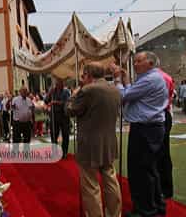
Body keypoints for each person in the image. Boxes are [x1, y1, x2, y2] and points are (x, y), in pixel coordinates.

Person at [113, 51, 168, 217]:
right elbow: (131, 93)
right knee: (149, 169)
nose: (135, 64)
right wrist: (127, 81)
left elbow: (123, 96)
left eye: (138, 61)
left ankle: (145, 210)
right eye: (135, 61)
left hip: (145, 129)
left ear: (150, 63)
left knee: (140, 171)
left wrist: (117, 79)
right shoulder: (151, 78)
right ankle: (156, 205)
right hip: (149, 127)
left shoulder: (150, 79)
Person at [67, 62, 122, 217]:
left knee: (91, 185)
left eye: (84, 76)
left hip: (90, 144)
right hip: (109, 141)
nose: (82, 79)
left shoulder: (87, 90)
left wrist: (74, 94)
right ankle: (115, 213)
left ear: (89, 75)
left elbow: (70, 110)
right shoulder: (114, 89)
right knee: (111, 180)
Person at [158, 68, 175, 199]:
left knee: (162, 154)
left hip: (161, 115)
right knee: (163, 153)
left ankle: (164, 188)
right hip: (164, 114)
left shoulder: (159, 78)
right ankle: (164, 188)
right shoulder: (165, 77)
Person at [45, 78, 70, 158]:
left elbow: (67, 102)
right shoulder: (52, 91)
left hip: (64, 116)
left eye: (60, 83)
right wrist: (49, 93)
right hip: (54, 116)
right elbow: (46, 101)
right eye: (57, 83)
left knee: (65, 134)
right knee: (53, 134)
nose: (58, 84)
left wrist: (55, 102)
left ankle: (64, 152)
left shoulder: (66, 91)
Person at [11, 87, 34, 154]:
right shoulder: (15, 99)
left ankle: (26, 152)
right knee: (16, 138)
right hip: (17, 122)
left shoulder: (29, 100)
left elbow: (31, 109)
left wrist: (31, 119)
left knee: (27, 137)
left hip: (27, 122)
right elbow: (11, 108)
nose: (24, 92)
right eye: (23, 91)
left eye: (26, 91)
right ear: (20, 92)